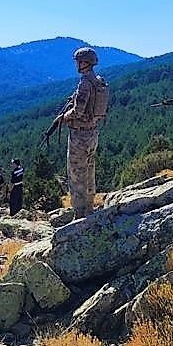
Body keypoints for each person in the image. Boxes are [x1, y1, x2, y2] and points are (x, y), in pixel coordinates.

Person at [63, 47, 110, 219]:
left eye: (78, 61)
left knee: (76, 173)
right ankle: (89, 206)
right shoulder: (99, 81)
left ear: (84, 62)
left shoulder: (84, 83)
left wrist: (66, 116)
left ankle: (79, 212)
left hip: (79, 134)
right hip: (92, 132)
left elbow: (78, 111)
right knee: (89, 169)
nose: (76, 64)